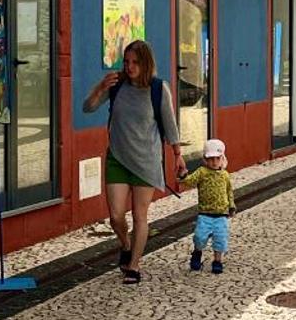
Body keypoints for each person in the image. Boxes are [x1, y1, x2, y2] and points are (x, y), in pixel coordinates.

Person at [82, 40, 182, 284]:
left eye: (135, 62)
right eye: (126, 61)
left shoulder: (159, 88)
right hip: (117, 157)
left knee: (139, 216)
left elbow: (169, 125)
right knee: (116, 215)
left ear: (146, 63)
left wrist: (178, 156)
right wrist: (99, 87)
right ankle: (125, 244)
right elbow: (88, 108)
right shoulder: (116, 85)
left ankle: (134, 265)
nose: (129, 67)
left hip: (146, 160)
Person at [182, 139, 234, 275]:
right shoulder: (202, 172)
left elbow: (229, 191)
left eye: (217, 158)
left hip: (221, 214)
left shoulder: (225, 175)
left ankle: (217, 261)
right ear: (205, 159)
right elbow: (190, 181)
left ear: (222, 158)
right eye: (211, 159)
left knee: (220, 238)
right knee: (199, 237)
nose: (214, 162)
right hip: (204, 213)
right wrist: (183, 176)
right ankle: (197, 252)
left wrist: (231, 206)